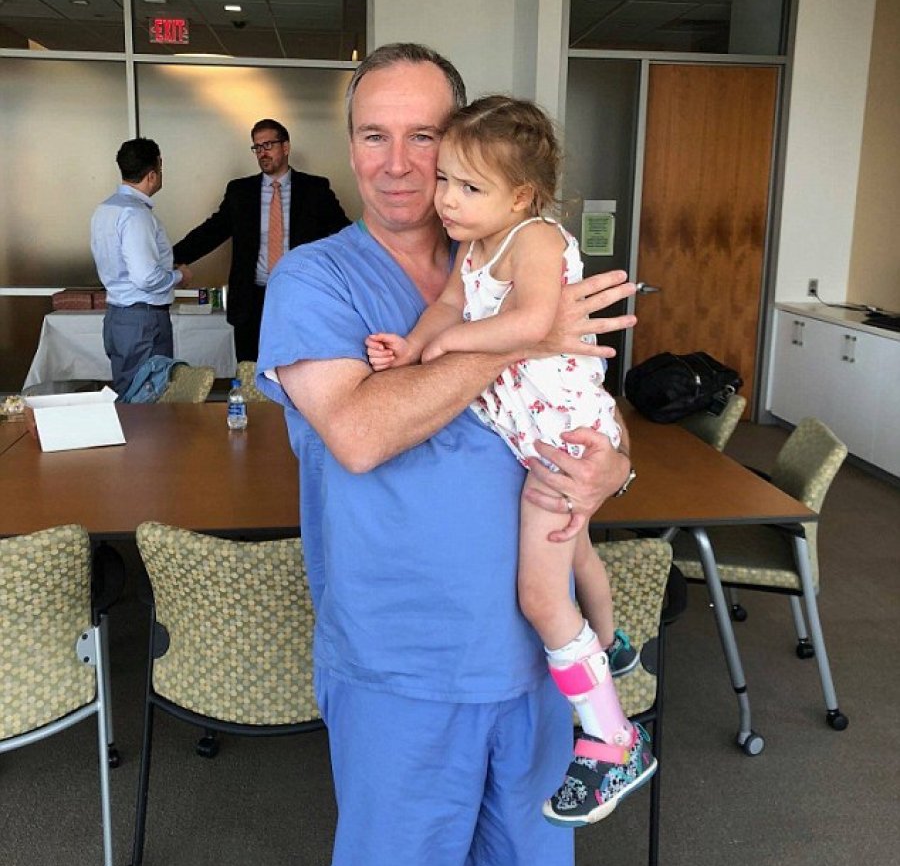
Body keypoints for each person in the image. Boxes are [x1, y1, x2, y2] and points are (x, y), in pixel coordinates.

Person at [257, 43, 637, 866]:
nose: (397, 163)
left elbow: (580, 401)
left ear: (464, 143)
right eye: (372, 136)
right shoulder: (316, 280)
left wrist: (615, 465)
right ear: (348, 145)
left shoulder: (511, 256)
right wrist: (521, 334)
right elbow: (358, 433)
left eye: (423, 136)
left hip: (535, 655)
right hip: (406, 663)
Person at [365, 94, 652, 828]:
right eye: (445, 179)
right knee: (577, 553)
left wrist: (450, 346)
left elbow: (532, 322)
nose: (446, 199)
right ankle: (609, 643)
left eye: (469, 186)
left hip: (559, 438)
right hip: (533, 432)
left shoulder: (536, 240)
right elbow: (447, 309)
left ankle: (615, 740)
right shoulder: (474, 246)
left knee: (541, 599)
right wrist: (414, 345)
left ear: (521, 195)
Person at [172, 118, 350, 361]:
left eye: (268, 145)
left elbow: (342, 234)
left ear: (285, 147)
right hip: (251, 300)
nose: (262, 153)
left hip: (299, 296)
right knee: (250, 369)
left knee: (297, 367)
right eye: (257, 147)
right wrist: (171, 257)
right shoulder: (241, 192)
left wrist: (373, 253)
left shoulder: (314, 190)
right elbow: (211, 232)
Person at [90, 137, 191, 396]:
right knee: (146, 402)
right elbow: (145, 277)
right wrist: (179, 276)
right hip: (143, 319)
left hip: (118, 314)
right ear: (152, 175)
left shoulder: (105, 209)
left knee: (130, 394)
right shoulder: (136, 214)